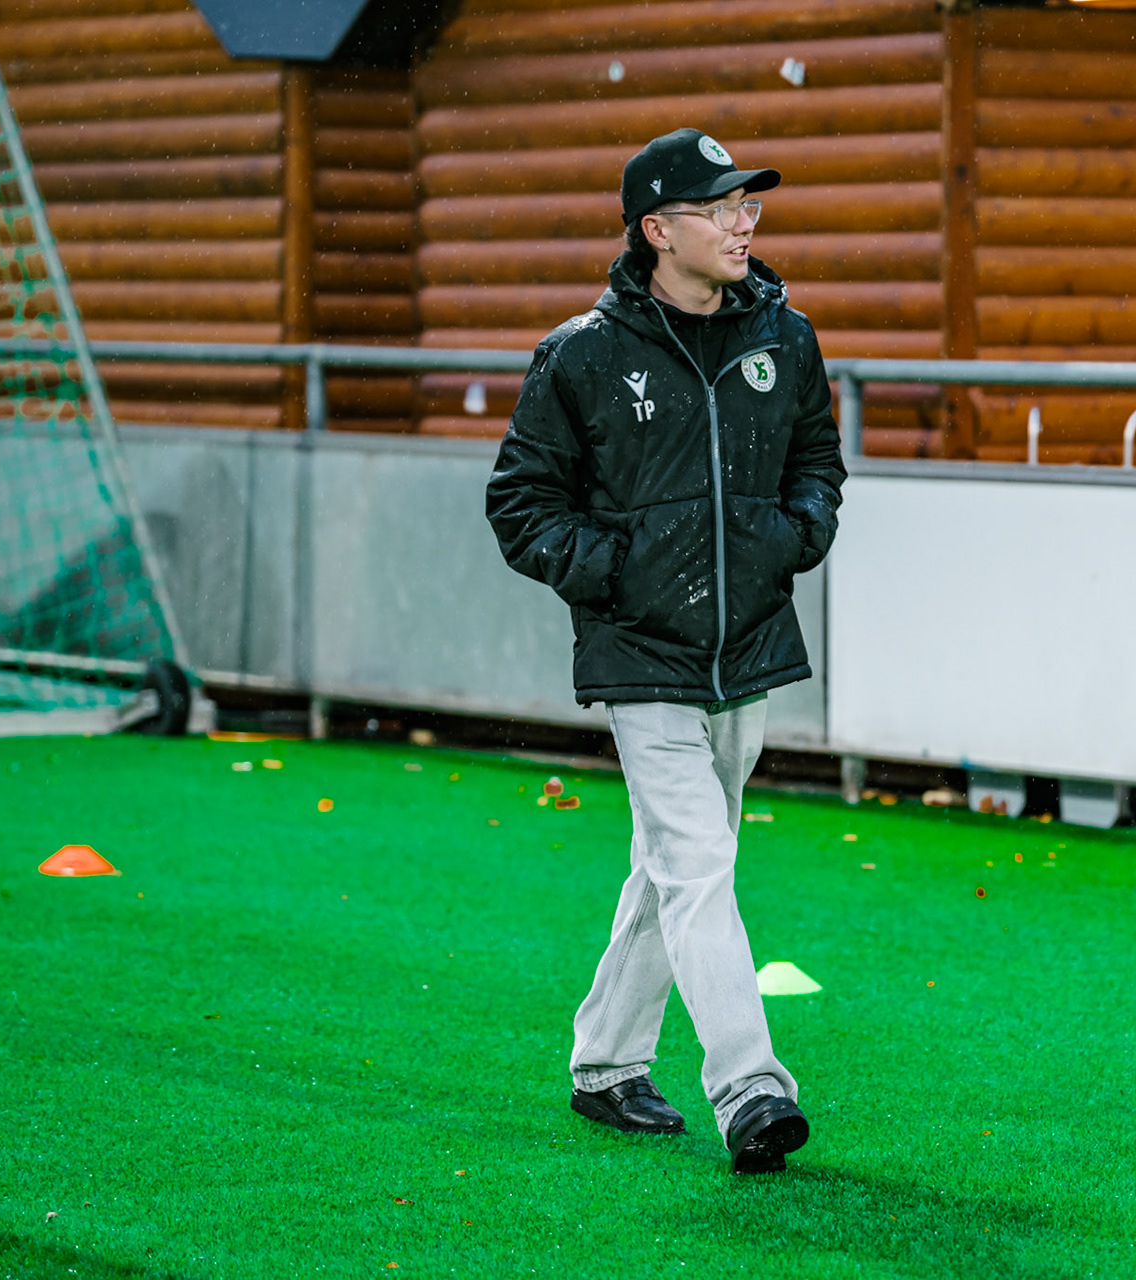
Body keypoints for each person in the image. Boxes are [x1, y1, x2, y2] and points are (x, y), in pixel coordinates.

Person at [485, 127, 845, 1175]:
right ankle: (751, 1087)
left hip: (747, 648)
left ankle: (603, 1062)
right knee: (699, 863)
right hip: (640, 651)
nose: (744, 222)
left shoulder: (787, 335)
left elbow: (817, 461)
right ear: (657, 229)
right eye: (720, 206)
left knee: (676, 863)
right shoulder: (580, 356)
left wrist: (793, 536)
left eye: (751, 207)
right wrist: (621, 573)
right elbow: (521, 503)